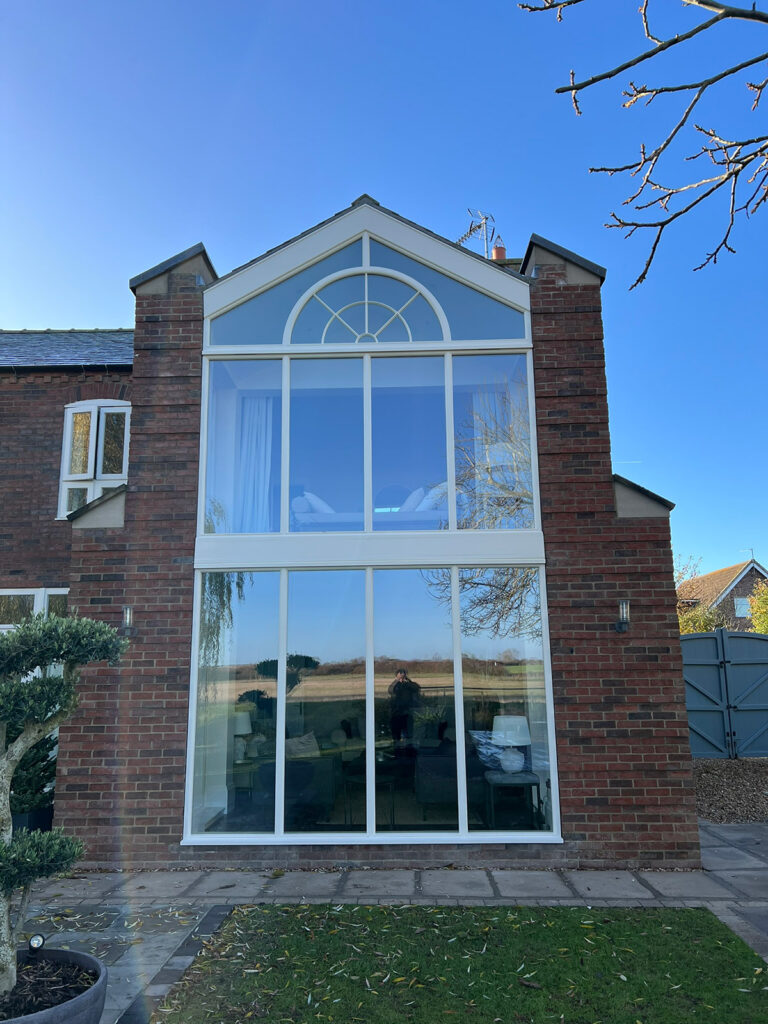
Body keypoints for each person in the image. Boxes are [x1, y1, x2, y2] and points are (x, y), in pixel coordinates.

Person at [388, 668, 421, 746]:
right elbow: (390, 690)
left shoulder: (408, 685)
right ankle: (398, 749)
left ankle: (408, 749)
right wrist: (397, 680)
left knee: (408, 735)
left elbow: (417, 688)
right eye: (400, 673)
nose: (402, 675)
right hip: (396, 713)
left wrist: (407, 681)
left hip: (407, 713)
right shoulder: (395, 685)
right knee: (396, 736)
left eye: (403, 673)